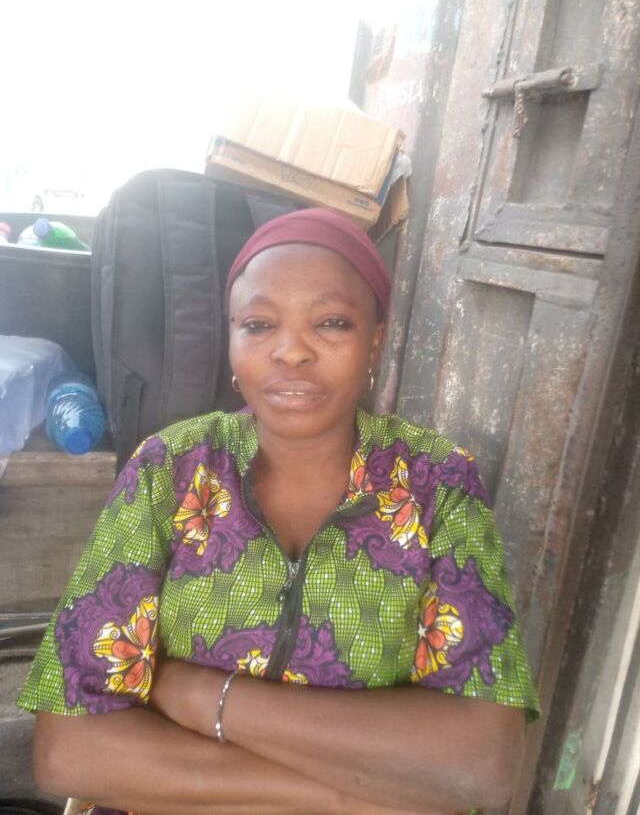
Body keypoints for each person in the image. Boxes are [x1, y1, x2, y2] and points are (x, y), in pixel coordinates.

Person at [18, 208, 539, 815]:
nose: (291, 352)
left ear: (375, 339)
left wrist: (202, 697)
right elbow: (70, 751)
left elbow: (482, 762)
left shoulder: (436, 482)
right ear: (232, 338)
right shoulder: (170, 470)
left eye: (331, 322)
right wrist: (362, 795)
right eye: (260, 324)